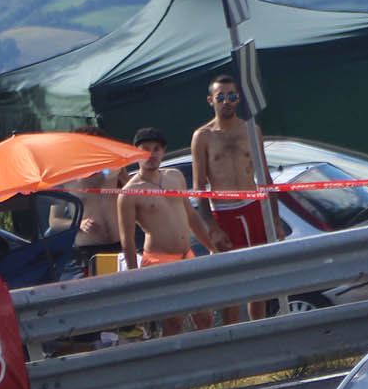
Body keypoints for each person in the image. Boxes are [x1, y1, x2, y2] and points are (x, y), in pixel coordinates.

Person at [117, 126, 230, 335]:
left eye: (156, 149)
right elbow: (128, 240)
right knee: (173, 321)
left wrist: (210, 247)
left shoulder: (175, 176)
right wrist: (134, 277)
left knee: (204, 316)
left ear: (163, 152)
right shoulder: (129, 192)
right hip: (159, 261)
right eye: (145, 149)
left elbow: (191, 216)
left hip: (187, 255)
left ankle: (206, 355)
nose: (151, 154)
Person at [191, 73, 278, 322]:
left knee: (258, 283)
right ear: (211, 100)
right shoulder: (203, 136)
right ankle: (234, 336)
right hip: (224, 213)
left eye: (231, 96)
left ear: (238, 99)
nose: (226, 101)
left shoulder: (251, 130)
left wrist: (274, 221)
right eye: (221, 97)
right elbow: (199, 187)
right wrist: (212, 229)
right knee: (231, 286)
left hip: (253, 208)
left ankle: (259, 332)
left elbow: (265, 177)